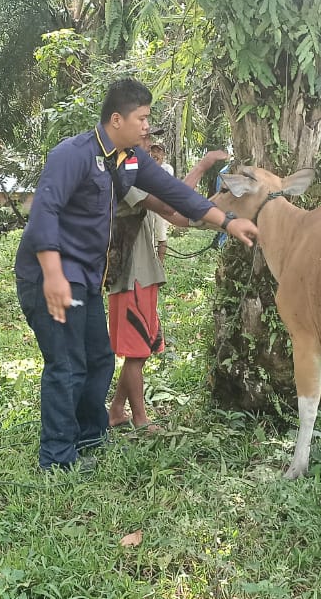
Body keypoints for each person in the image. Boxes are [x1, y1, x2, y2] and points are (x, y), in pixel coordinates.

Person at [14, 78, 258, 473]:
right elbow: (45, 213)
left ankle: (91, 439)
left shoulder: (129, 159)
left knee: (99, 359)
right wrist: (53, 274)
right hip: (50, 274)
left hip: (89, 277)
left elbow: (179, 196)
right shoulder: (71, 155)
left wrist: (228, 222)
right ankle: (57, 459)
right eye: (142, 118)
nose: (147, 127)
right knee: (67, 364)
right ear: (116, 119)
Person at [106, 142, 229, 433]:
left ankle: (115, 410)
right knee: (137, 352)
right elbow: (173, 204)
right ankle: (141, 421)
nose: (153, 155)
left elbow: (180, 215)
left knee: (141, 349)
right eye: (146, 148)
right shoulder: (123, 180)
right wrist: (201, 166)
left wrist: (224, 221)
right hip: (131, 276)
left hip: (144, 276)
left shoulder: (138, 181)